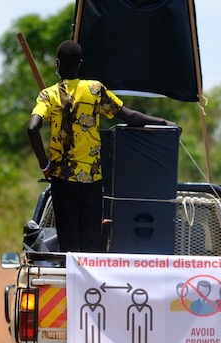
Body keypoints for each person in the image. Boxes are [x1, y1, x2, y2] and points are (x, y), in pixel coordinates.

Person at [27, 40, 178, 253]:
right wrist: (163, 122)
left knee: (68, 244)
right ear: (79, 64)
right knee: (91, 243)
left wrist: (45, 164)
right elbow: (129, 116)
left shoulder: (48, 95)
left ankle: (69, 283)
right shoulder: (95, 89)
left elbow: (32, 127)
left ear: (57, 64)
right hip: (91, 180)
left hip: (61, 179)